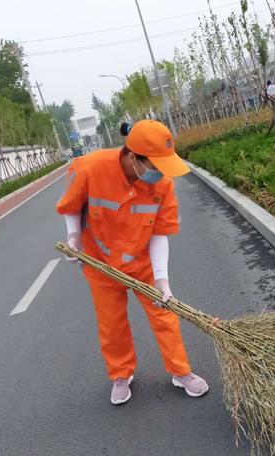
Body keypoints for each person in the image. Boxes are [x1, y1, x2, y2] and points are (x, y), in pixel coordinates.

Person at [56, 120, 209, 405]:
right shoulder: (90, 168)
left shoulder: (162, 185)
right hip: (100, 264)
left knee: (165, 314)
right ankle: (121, 374)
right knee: (112, 325)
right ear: (132, 157)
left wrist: (162, 279)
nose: (161, 174)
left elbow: (160, 233)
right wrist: (74, 236)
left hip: (142, 264)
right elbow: (72, 206)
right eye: (155, 166)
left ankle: (181, 371)